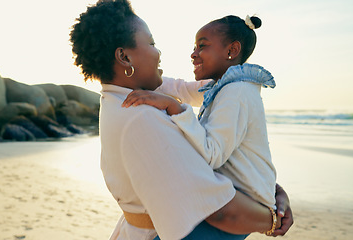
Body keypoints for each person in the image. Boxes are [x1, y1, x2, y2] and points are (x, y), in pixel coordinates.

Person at [70, 1, 293, 239]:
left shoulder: (117, 101)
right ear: (124, 57)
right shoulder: (143, 116)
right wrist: (273, 218)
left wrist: (272, 188)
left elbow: (178, 89)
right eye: (152, 43)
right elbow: (221, 211)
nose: (159, 52)